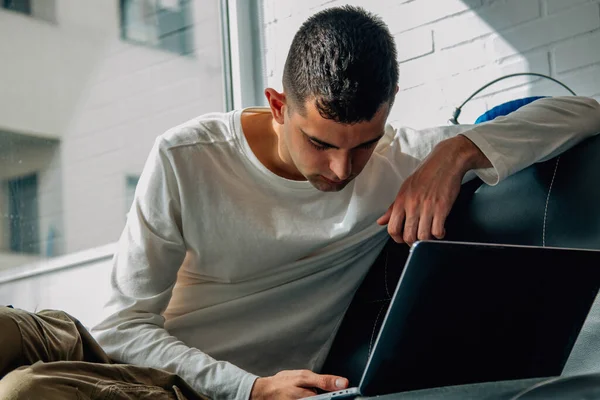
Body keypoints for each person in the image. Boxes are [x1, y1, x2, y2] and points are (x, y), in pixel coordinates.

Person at [1, 5, 600, 400]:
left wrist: (457, 153)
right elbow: (125, 326)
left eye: (363, 145)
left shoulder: (403, 159)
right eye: (319, 143)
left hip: (179, 391)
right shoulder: (187, 156)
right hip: (117, 347)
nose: (341, 170)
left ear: (389, 107)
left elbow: (586, 112)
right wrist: (251, 389)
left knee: (26, 393)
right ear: (278, 104)